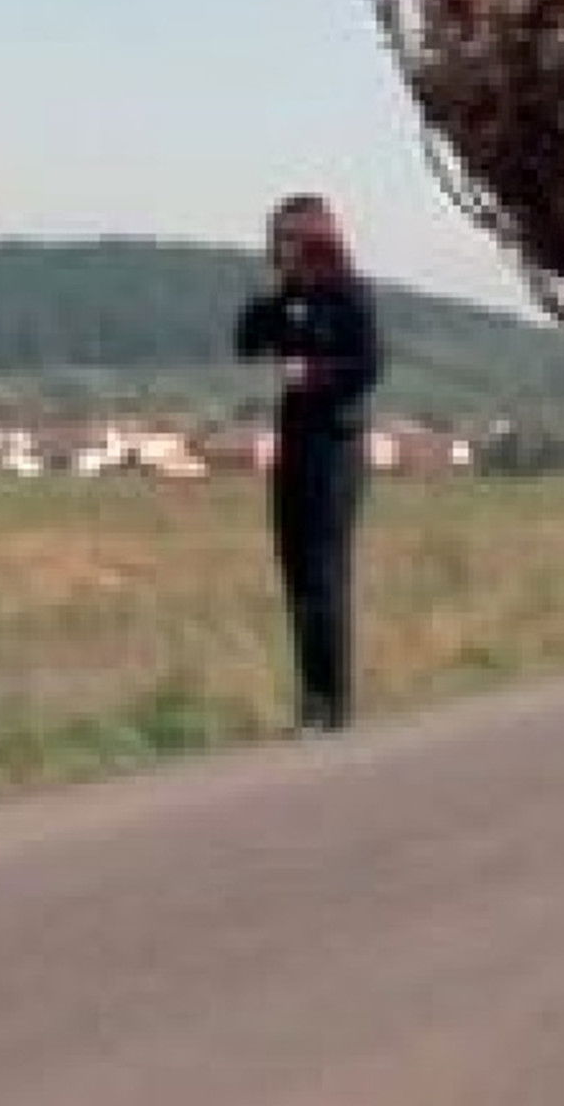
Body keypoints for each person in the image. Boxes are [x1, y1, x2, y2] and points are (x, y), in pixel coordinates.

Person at [234, 195, 382, 732]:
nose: (278, 248)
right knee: (295, 570)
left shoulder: (350, 295)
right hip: (294, 445)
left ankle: (332, 702)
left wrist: (315, 374)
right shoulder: (287, 298)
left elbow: (368, 366)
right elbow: (245, 343)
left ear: (315, 238)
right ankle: (310, 697)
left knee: (323, 573)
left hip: (336, 446)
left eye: (287, 237)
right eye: (276, 238)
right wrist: (274, 299)